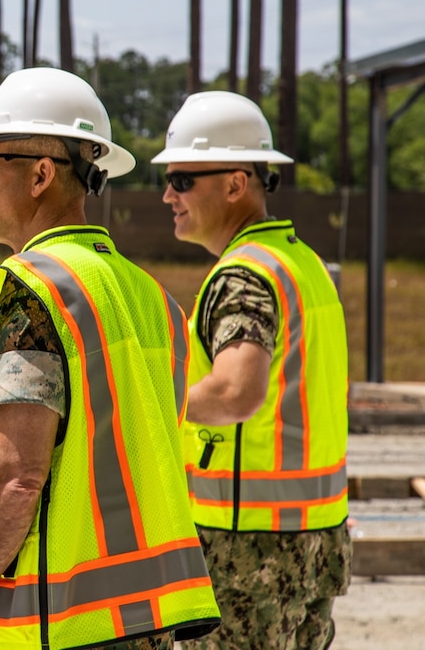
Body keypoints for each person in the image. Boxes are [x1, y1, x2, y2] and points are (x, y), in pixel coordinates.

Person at [0, 67, 220, 650]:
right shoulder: (151, 296)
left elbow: (15, 477)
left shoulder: (33, 291)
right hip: (144, 620)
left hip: (54, 624)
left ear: (40, 174)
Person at [153, 91, 351, 650]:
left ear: (236, 184)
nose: (169, 195)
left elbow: (237, 391)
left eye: (183, 180)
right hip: (317, 532)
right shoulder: (302, 263)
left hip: (247, 543)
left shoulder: (243, 275)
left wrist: (149, 403)